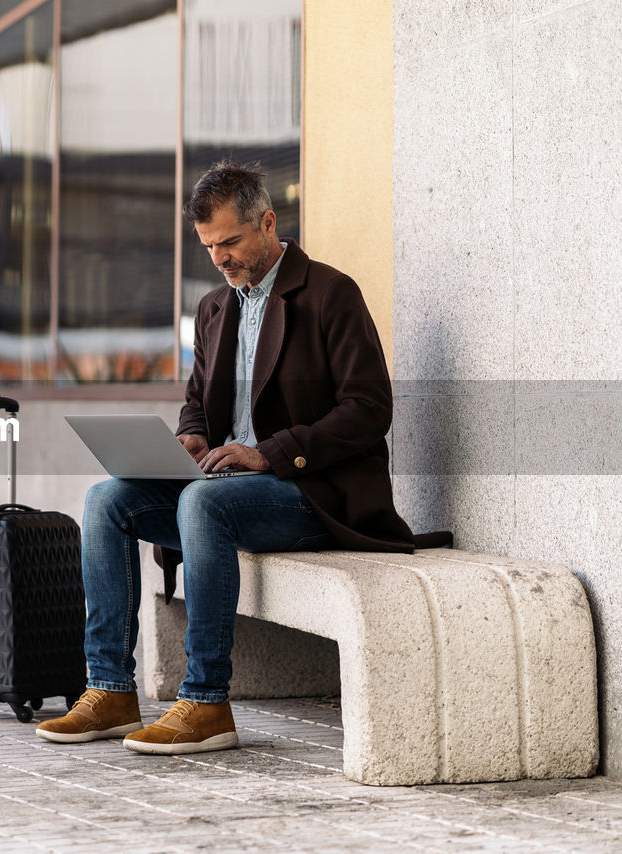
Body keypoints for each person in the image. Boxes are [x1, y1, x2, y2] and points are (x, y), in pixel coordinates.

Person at [37, 160, 446, 755]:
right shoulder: (213, 307)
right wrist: (193, 437)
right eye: (208, 247)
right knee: (107, 500)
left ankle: (206, 701)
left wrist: (271, 454)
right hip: (229, 488)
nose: (220, 257)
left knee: (203, 503)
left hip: (314, 495)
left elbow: (368, 408)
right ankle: (110, 688)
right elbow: (197, 404)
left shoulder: (331, 293)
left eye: (229, 241)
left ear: (268, 222)